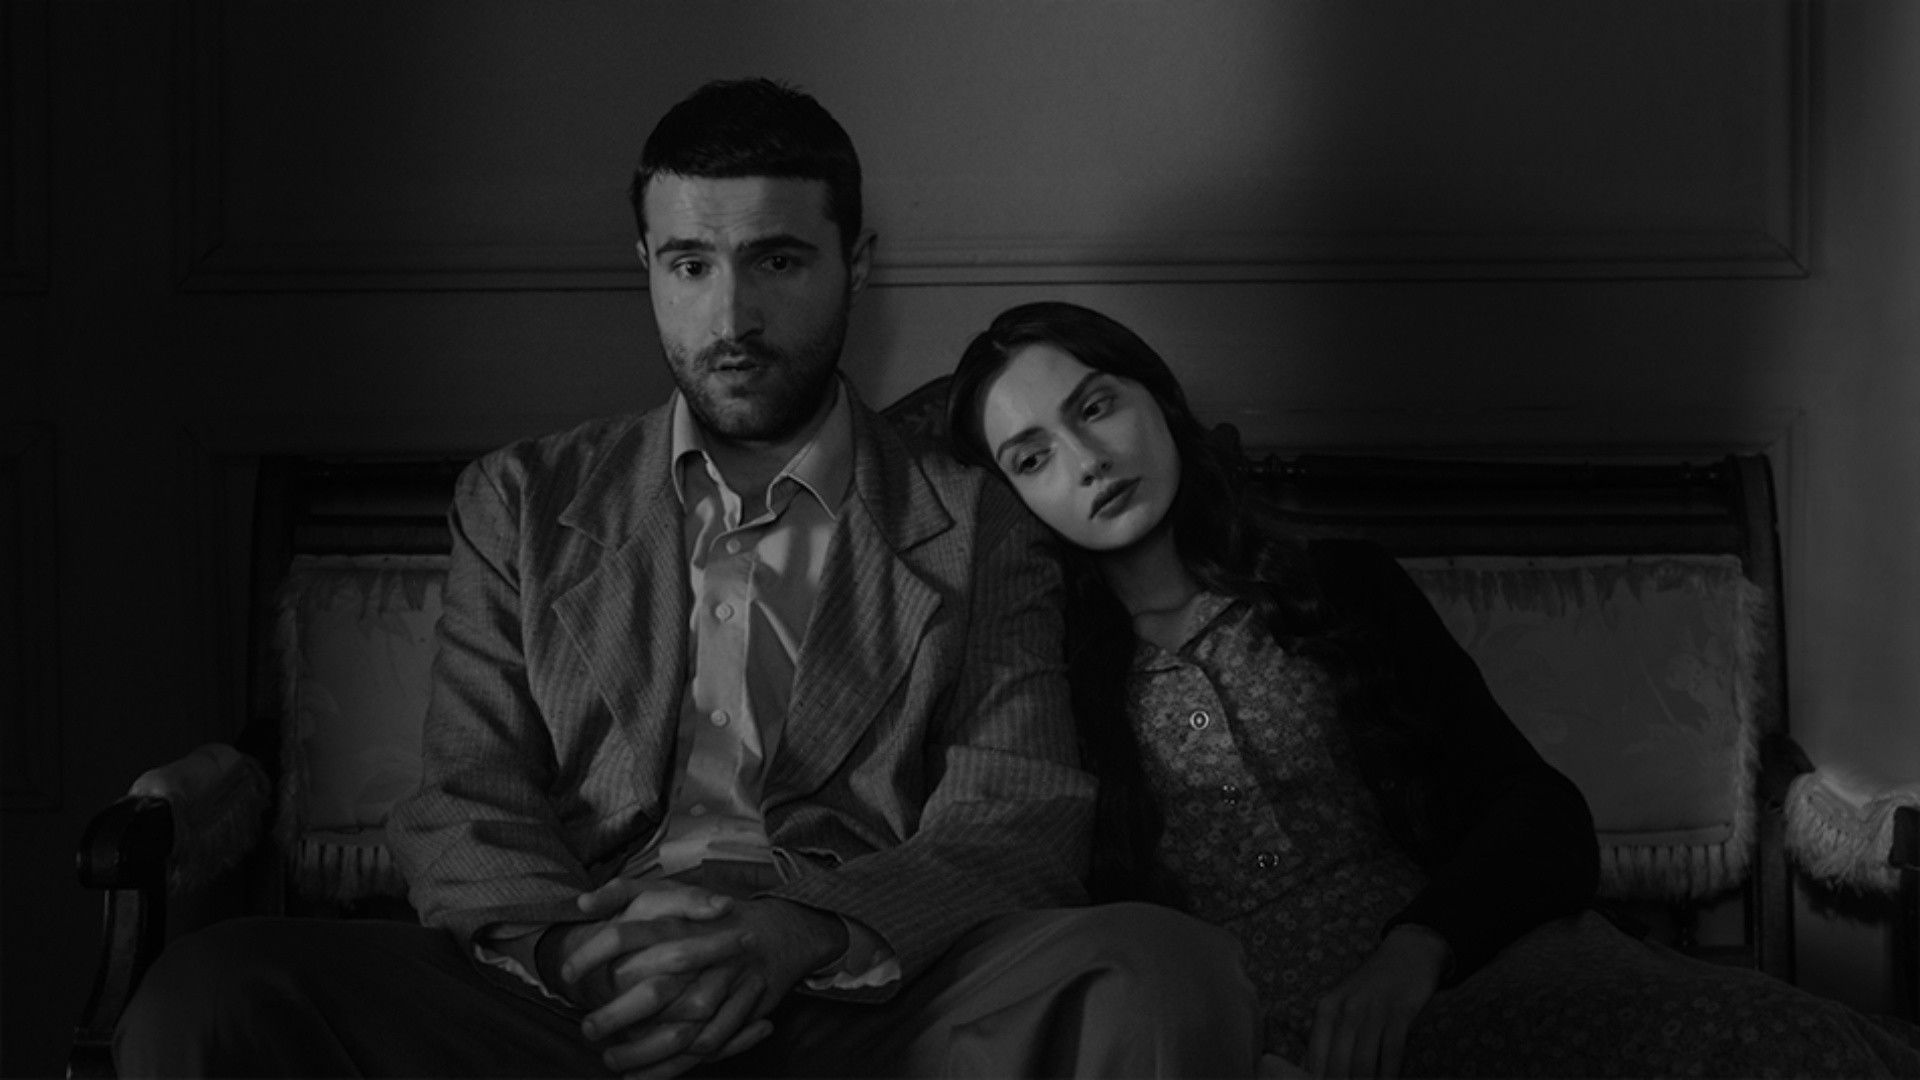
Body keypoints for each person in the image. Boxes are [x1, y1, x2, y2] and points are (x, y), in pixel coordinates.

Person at [113, 83, 1262, 1079]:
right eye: (691, 265)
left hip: (862, 998)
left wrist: (795, 935)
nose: (732, 316)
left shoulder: (978, 518)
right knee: (213, 993)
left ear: (857, 264)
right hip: (572, 994)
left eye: (778, 261)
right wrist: (581, 954)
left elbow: (1016, 813)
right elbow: (469, 795)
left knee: (1163, 973)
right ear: (648, 268)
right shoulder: (522, 500)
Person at [945, 300, 1920, 1079]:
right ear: (1010, 508)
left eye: (1095, 407)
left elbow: (1538, 812)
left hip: (1470, 976)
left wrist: (1417, 951)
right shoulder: (1038, 690)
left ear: (1156, 398)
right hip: (1227, 1040)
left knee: (1782, 1047)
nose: (1086, 462)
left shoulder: (1339, 588)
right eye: (1032, 458)